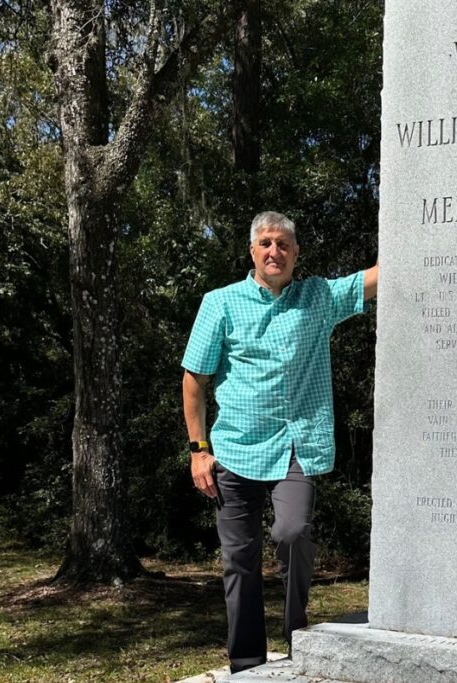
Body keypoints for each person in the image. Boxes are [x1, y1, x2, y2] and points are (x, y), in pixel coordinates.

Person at [181, 210, 378, 673]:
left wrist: (427, 234)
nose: (275, 251)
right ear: (252, 251)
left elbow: (374, 280)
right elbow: (194, 379)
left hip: (297, 447)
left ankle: (297, 645)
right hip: (234, 451)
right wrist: (198, 450)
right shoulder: (221, 303)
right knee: (239, 559)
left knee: (293, 532)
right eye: (266, 243)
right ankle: (247, 664)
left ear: (296, 253)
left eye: (284, 244)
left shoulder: (317, 298)